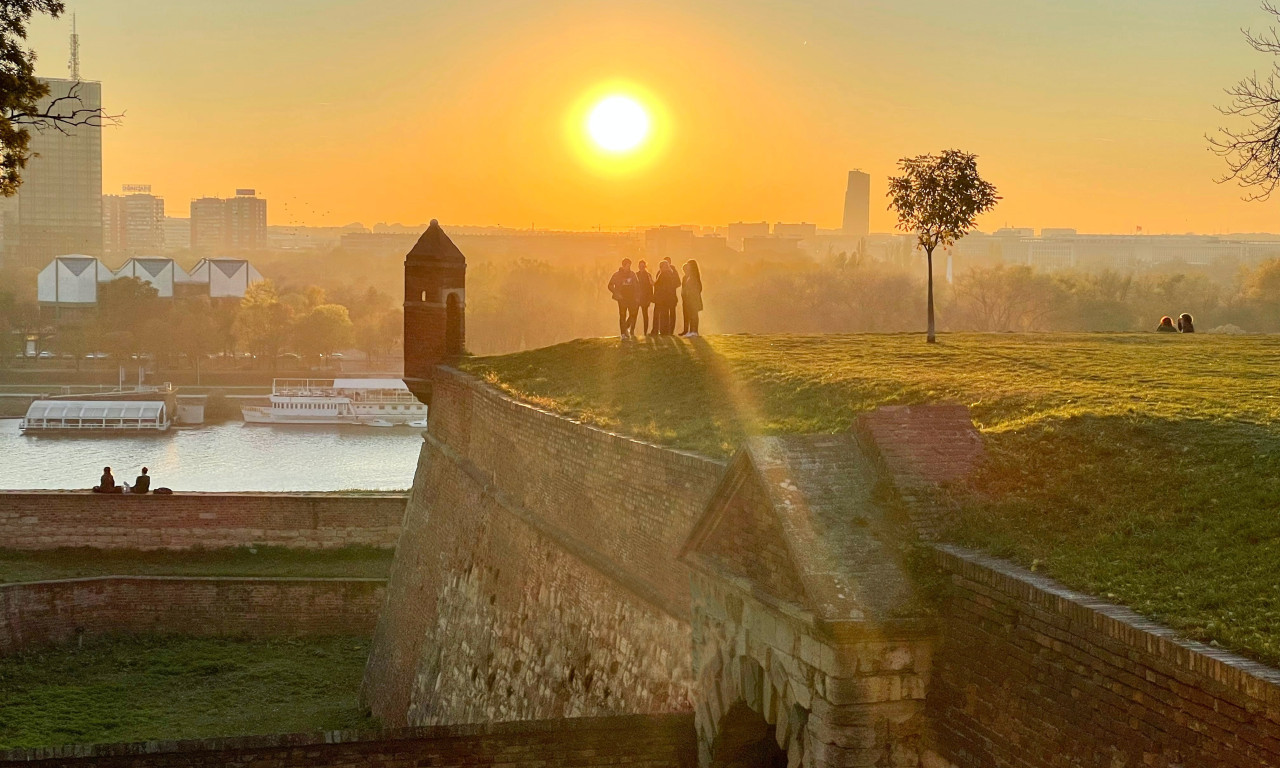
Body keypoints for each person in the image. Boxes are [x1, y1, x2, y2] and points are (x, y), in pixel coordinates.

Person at [606, 259, 640, 339]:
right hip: (622, 298)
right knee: (622, 315)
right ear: (623, 266)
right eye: (627, 266)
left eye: (629, 266)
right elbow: (610, 285)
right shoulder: (617, 275)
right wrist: (616, 293)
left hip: (631, 297)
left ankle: (625, 328)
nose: (629, 267)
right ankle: (623, 334)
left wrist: (637, 296)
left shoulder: (632, 274)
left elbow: (637, 286)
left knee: (633, 314)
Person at [653, 260, 680, 335]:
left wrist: (652, 283)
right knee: (666, 315)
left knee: (664, 314)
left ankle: (663, 330)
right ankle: (667, 331)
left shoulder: (663, 274)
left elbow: (658, 285)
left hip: (664, 298)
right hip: (669, 297)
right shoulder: (670, 274)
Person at [680, 259, 703, 337]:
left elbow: (698, 288)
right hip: (688, 299)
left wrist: (692, 294)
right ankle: (691, 330)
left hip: (693, 299)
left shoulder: (694, 276)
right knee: (690, 315)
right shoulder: (689, 276)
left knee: (694, 315)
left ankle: (694, 331)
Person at [635, 260, 654, 337]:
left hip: (645, 299)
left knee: (645, 315)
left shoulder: (648, 275)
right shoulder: (636, 275)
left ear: (645, 266)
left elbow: (650, 288)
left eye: (643, 266)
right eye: (640, 266)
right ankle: (631, 330)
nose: (641, 268)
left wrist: (650, 299)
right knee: (634, 315)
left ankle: (645, 332)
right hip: (637, 298)